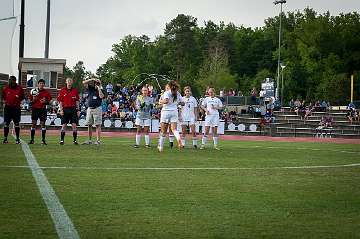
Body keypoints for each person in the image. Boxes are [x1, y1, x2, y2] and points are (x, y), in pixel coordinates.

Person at [158, 80, 184, 152]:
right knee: (174, 129)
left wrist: (160, 101)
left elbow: (166, 101)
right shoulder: (177, 93)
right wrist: (177, 102)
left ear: (169, 86)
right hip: (174, 112)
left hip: (166, 112)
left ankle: (161, 147)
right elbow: (183, 103)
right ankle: (179, 140)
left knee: (163, 131)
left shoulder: (167, 93)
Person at [2, 76, 24, 144]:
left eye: (11, 80)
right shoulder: (5, 88)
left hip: (16, 108)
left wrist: (20, 103)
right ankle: (5, 138)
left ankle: (17, 139)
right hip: (7, 108)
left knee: (17, 123)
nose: (10, 82)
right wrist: (4, 103)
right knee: (6, 124)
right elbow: (3, 97)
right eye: (9, 80)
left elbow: (22, 97)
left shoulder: (19, 88)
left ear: (14, 81)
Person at [82, 78, 105, 145]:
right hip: (90, 109)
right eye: (96, 83)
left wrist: (99, 87)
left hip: (97, 108)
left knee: (98, 125)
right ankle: (89, 140)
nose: (96, 84)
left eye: (97, 83)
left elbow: (101, 96)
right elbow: (84, 82)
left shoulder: (101, 90)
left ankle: (98, 141)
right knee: (89, 125)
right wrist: (92, 79)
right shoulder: (90, 88)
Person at [57, 78, 80, 145]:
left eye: (70, 81)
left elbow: (77, 101)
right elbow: (60, 101)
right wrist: (61, 110)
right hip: (65, 109)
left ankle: (75, 141)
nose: (69, 82)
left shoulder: (75, 91)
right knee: (64, 125)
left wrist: (78, 110)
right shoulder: (62, 90)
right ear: (66, 82)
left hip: (73, 109)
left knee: (74, 125)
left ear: (72, 82)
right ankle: (62, 140)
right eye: (68, 81)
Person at [29, 79, 52, 145]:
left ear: (44, 85)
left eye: (42, 83)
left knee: (43, 124)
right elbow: (30, 102)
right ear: (38, 84)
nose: (41, 84)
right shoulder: (33, 91)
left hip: (42, 109)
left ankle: (43, 140)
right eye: (40, 83)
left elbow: (49, 102)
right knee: (33, 124)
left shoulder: (46, 92)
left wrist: (45, 102)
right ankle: (32, 140)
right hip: (35, 109)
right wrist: (34, 100)